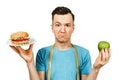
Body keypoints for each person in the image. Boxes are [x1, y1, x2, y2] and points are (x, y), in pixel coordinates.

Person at [10, 6, 111, 80]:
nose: (62, 30)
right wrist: (30, 63)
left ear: (73, 28)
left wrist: (96, 68)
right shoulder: (43, 53)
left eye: (67, 25)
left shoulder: (83, 53)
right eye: (58, 25)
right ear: (52, 28)